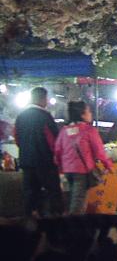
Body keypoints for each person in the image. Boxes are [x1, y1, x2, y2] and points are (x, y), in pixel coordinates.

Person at [54, 100, 112, 215]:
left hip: (68, 171)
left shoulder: (64, 131)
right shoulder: (89, 130)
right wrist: (107, 164)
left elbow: (57, 152)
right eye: (89, 111)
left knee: (73, 200)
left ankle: (76, 227)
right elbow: (99, 151)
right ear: (82, 114)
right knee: (78, 203)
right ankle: (74, 229)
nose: (91, 114)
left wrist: (61, 169)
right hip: (82, 171)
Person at [15, 87, 63, 216]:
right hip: (45, 162)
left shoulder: (21, 116)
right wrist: (57, 157)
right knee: (53, 192)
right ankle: (55, 225)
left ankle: (28, 225)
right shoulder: (45, 116)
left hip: (26, 162)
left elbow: (17, 138)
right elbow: (53, 141)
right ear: (43, 99)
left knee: (30, 194)